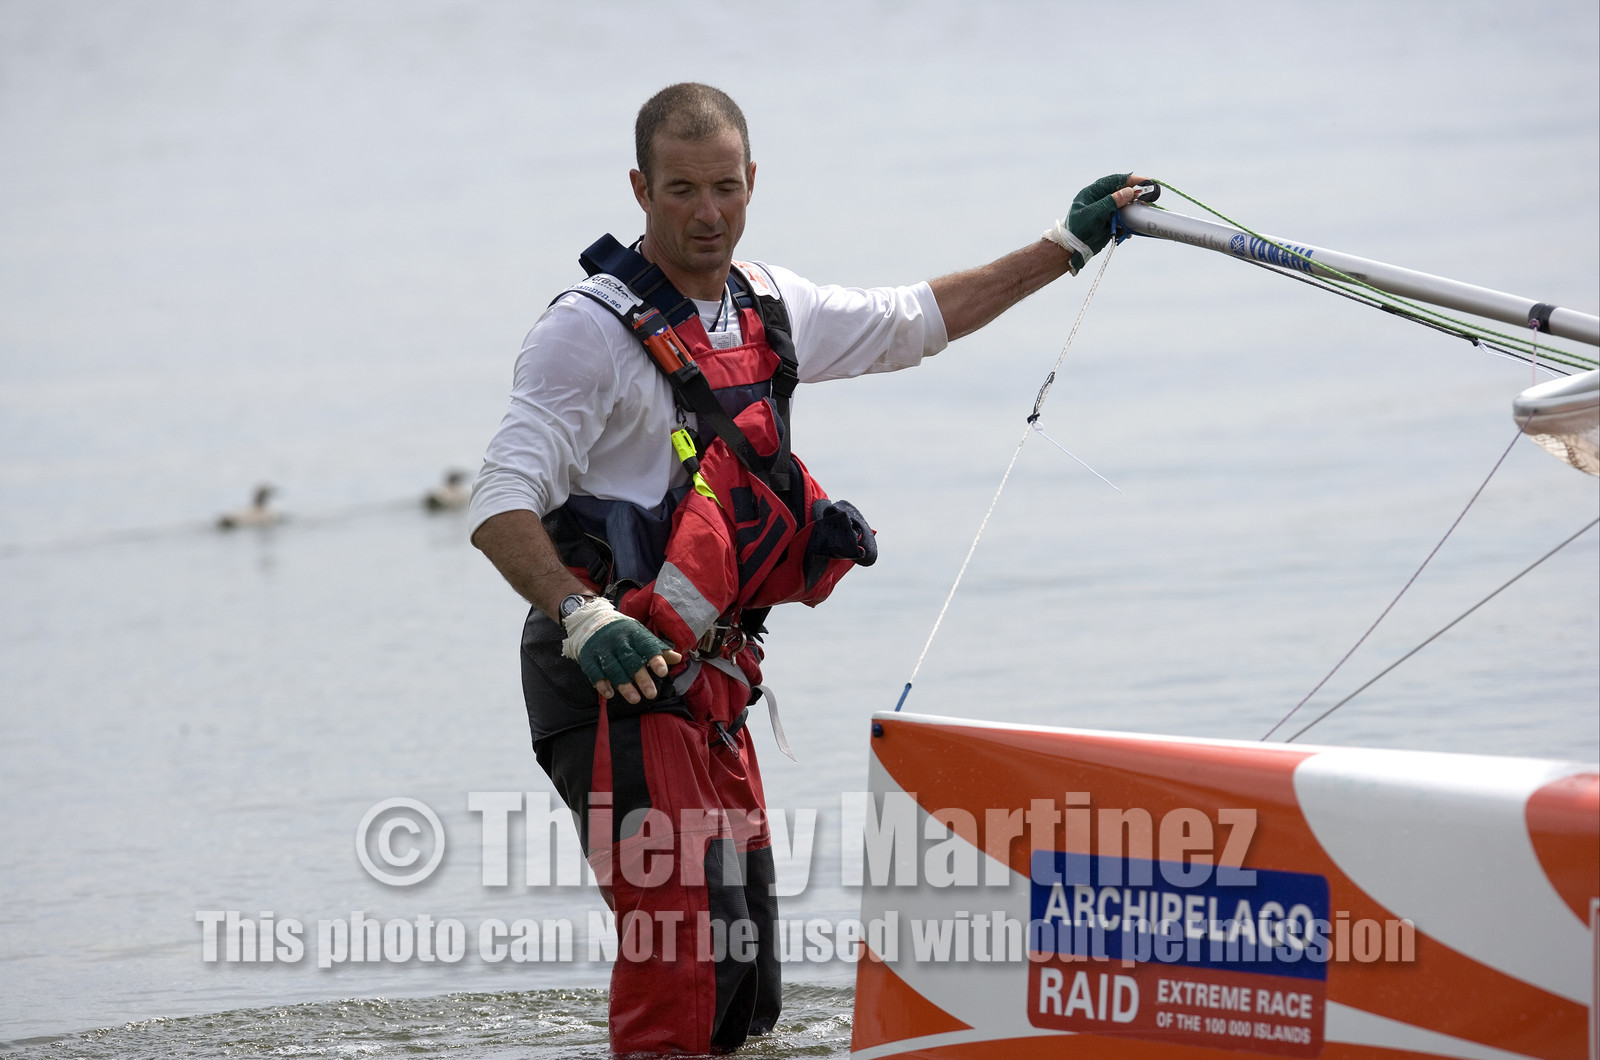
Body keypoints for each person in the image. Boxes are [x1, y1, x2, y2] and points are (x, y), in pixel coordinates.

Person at [469, 81, 1146, 1055]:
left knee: (745, 987)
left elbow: (916, 320)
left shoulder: (770, 308)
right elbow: (496, 505)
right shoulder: (587, 334)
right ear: (639, 189)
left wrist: (1065, 247)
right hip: (605, 673)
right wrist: (582, 615)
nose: (707, 213)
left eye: (726, 188)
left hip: (709, 683)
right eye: (681, 190)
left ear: (753, 184)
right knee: (683, 960)